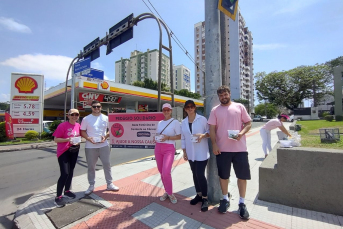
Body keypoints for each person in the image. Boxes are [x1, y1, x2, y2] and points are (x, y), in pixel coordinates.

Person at [208, 85, 252, 219]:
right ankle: (225, 199)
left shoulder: (239, 107)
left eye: (225, 94)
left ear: (229, 94)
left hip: (240, 150)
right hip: (222, 150)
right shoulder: (215, 110)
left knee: (242, 177)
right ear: (218, 97)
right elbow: (212, 129)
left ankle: (242, 203)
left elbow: (248, 123)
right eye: (221, 95)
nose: (223, 97)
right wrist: (214, 145)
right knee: (223, 177)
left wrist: (241, 133)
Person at [80, 100, 119, 195]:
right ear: (91, 108)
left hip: (104, 145)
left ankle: (109, 184)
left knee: (107, 164)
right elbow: (82, 131)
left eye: (98, 106)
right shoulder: (86, 119)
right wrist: (88, 139)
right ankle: (91, 185)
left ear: (101, 107)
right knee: (91, 167)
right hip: (90, 147)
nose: (96, 108)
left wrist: (105, 137)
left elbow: (111, 130)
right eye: (94, 106)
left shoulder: (106, 118)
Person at [181, 100, 210, 212]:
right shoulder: (183, 122)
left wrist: (202, 135)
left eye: (192, 106)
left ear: (195, 108)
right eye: (187, 107)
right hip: (190, 153)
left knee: (200, 174)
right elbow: (183, 138)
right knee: (194, 174)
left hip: (201, 152)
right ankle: (198, 194)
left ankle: (205, 198)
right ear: (185, 109)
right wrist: (184, 151)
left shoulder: (202, 119)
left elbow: (209, 132)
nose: (190, 108)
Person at [52, 109, 81, 207]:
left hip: (74, 150)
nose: (74, 116)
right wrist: (67, 139)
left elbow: (79, 137)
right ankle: (58, 197)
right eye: (72, 114)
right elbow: (56, 139)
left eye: (76, 114)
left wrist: (77, 141)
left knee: (71, 171)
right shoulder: (62, 125)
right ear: (68, 116)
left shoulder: (78, 125)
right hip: (63, 152)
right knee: (65, 173)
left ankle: (67, 190)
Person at [154, 103, 181, 204]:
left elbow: (179, 136)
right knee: (161, 172)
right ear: (162, 111)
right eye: (164, 110)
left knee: (166, 172)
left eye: (168, 110)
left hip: (169, 148)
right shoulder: (160, 122)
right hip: (158, 148)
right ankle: (167, 191)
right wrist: (156, 138)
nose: (166, 111)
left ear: (171, 111)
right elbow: (158, 134)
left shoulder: (175, 122)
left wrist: (168, 138)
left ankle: (170, 193)